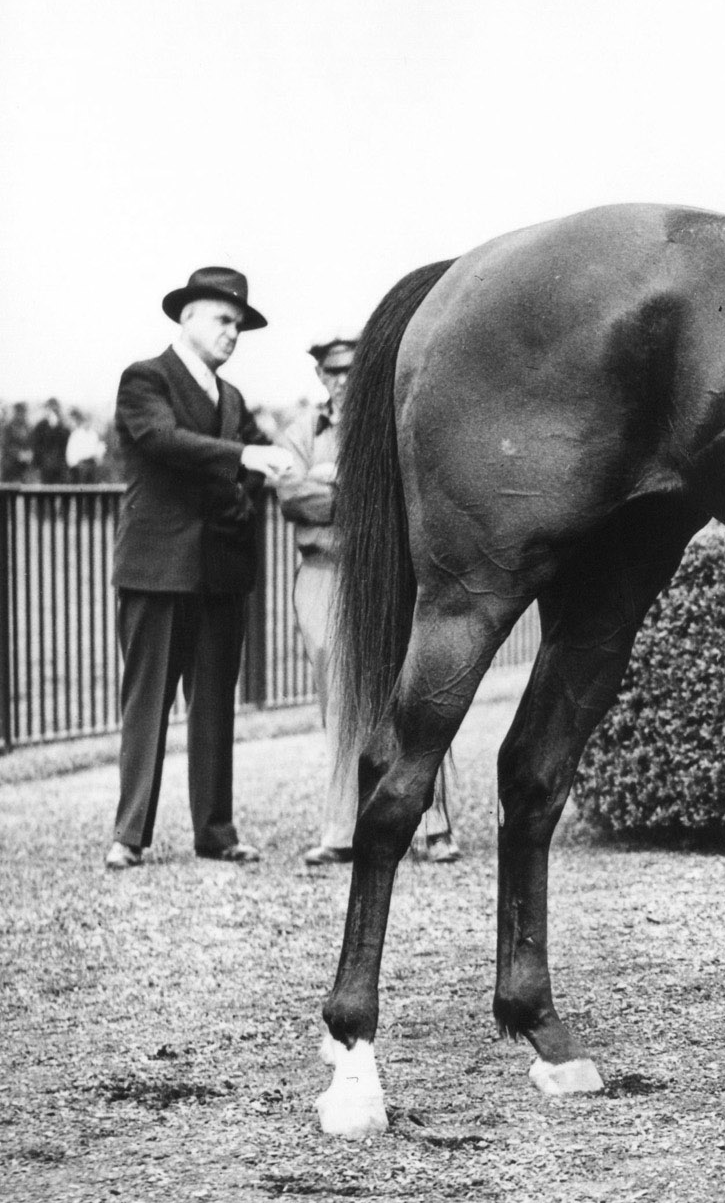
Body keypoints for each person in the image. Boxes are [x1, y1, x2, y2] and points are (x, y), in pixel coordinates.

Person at [105, 267, 297, 869]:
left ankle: (216, 830)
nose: (232, 333)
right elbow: (163, 443)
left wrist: (254, 478)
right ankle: (129, 833)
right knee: (149, 700)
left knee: (215, 701)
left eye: (238, 324)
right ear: (186, 318)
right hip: (158, 568)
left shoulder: (232, 399)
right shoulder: (145, 379)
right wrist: (246, 455)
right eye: (222, 319)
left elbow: (246, 469)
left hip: (219, 569)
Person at [278, 338, 459, 866]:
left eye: (352, 369)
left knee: (410, 690)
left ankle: (432, 826)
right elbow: (291, 499)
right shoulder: (300, 432)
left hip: (380, 572)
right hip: (323, 575)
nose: (342, 379)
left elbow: (396, 494)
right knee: (336, 694)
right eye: (332, 370)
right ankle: (340, 830)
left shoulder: (384, 424)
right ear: (319, 374)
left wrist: (328, 483)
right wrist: (353, 493)